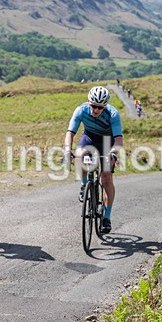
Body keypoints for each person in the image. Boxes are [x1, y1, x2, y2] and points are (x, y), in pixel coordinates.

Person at [64, 86, 123, 234]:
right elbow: (70, 133)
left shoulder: (113, 114)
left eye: (99, 107)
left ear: (105, 106)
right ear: (89, 102)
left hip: (107, 141)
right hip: (89, 137)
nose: (95, 110)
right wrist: (67, 151)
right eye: (93, 106)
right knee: (80, 154)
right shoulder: (81, 110)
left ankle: (106, 218)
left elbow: (118, 140)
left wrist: (113, 155)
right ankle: (85, 186)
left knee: (106, 178)